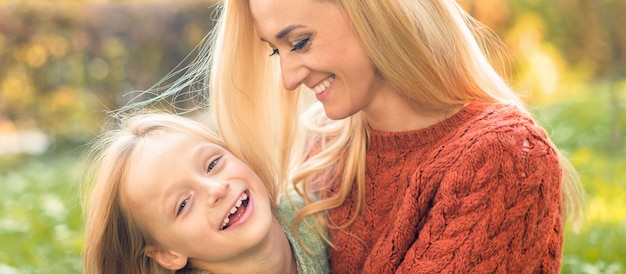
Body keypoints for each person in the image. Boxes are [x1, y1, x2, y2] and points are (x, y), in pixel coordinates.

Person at [198, 0, 587, 273]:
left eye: (299, 42)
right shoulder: (324, 145)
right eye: (275, 51)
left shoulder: (501, 155)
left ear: (373, 10)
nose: (288, 78)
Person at [80, 112, 328, 274]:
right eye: (184, 204)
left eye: (212, 164)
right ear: (168, 254)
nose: (216, 189)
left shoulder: (314, 212)